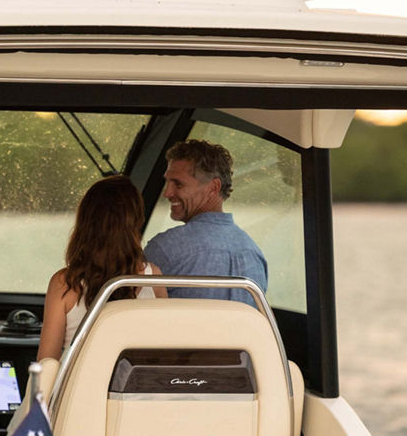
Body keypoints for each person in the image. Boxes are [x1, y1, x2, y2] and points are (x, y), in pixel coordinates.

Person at [37, 175, 167, 361]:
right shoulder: (152, 277)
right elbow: (162, 351)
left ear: (84, 224)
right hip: (136, 390)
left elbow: (47, 363)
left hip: (82, 390)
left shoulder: (65, 283)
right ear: (136, 223)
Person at [144, 139, 267, 306]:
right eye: (167, 182)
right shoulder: (254, 254)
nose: (167, 193)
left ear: (213, 187)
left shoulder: (166, 248)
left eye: (178, 184)